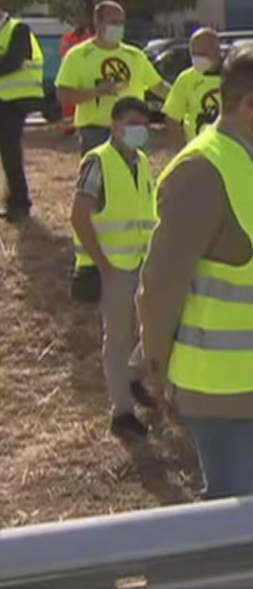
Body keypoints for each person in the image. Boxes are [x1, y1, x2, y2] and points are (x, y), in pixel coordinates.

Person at [139, 43, 253, 500]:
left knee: (243, 503)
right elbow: (160, 284)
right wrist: (157, 368)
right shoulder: (201, 170)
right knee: (231, 508)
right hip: (216, 383)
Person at [70, 97, 159, 440]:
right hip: (113, 267)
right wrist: (101, 262)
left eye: (145, 123)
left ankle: (133, 376)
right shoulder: (98, 162)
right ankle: (122, 411)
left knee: (154, 325)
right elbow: (79, 216)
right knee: (118, 337)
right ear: (116, 125)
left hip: (141, 261)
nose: (141, 129)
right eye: (134, 122)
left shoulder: (142, 162)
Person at [56, 0, 169, 155]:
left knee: (134, 176)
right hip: (96, 132)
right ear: (98, 22)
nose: (118, 27)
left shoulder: (135, 55)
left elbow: (158, 86)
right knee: (99, 176)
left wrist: (182, 100)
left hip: (133, 130)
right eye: (113, 22)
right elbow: (63, 95)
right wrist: (96, 92)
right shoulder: (78, 56)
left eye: (121, 23)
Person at [0, 6, 41, 222]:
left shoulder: (18, 30)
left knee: (10, 153)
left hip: (14, 102)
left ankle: (19, 203)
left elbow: (13, 62)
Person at [162, 28, 223, 148]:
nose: (197, 59)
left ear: (216, 51)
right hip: (197, 152)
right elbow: (172, 119)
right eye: (194, 54)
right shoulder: (186, 79)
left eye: (202, 54)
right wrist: (182, 152)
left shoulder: (234, 76)